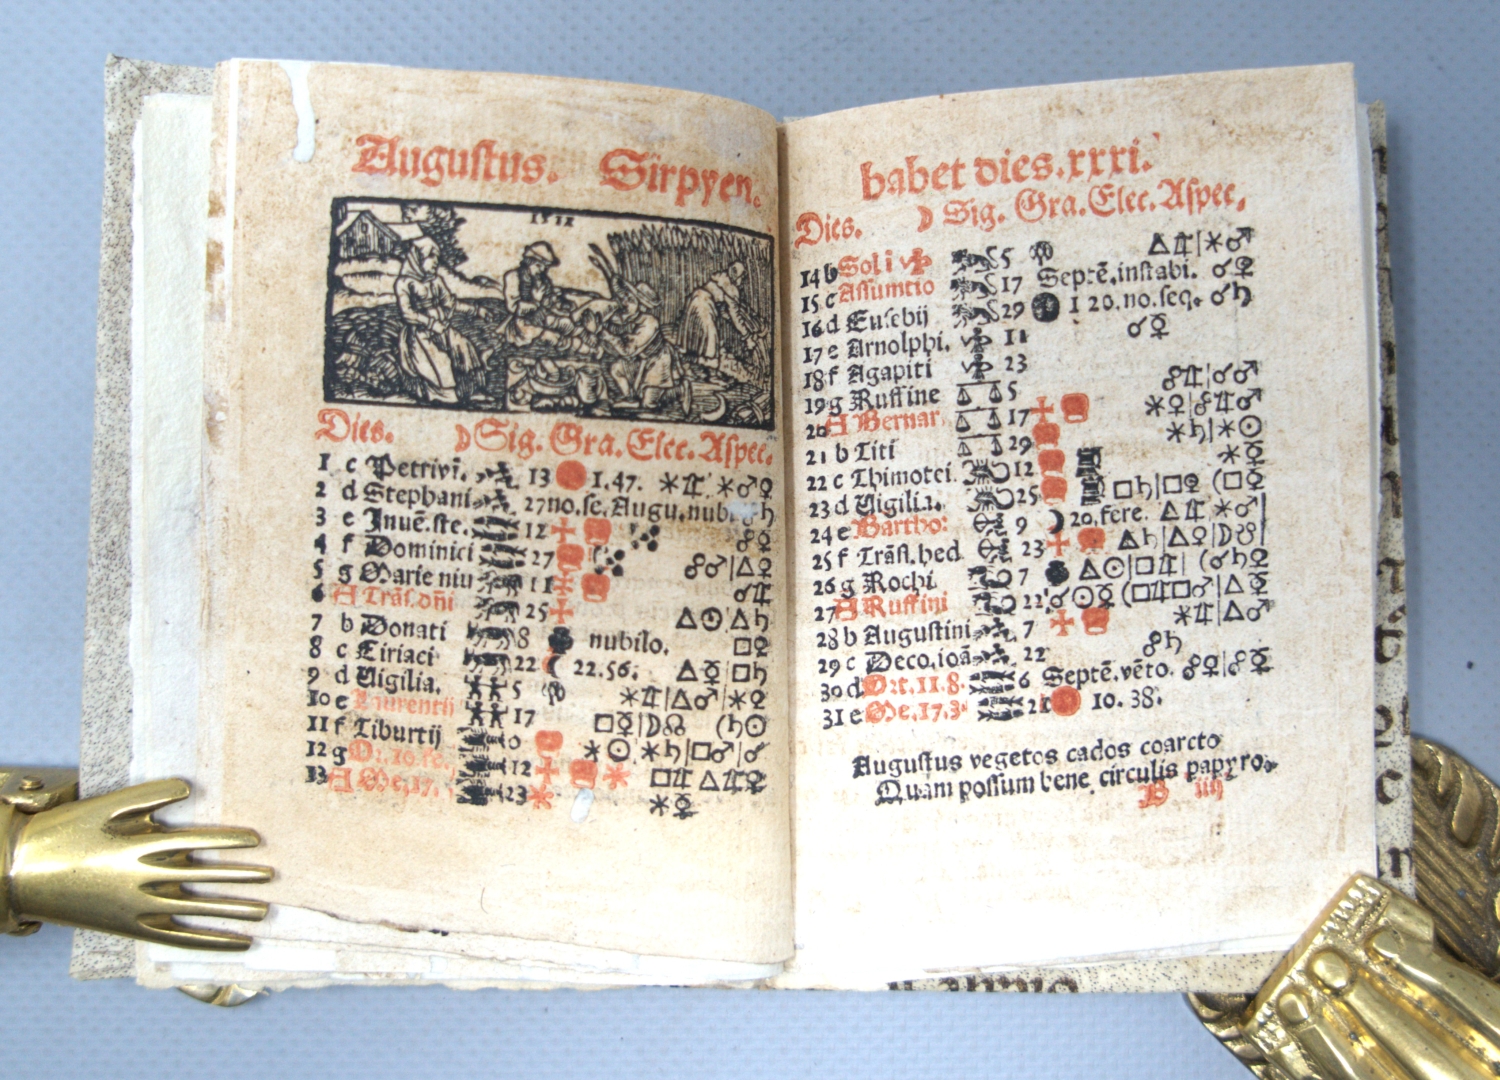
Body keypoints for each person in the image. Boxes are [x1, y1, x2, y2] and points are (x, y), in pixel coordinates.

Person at [394, 237, 481, 404]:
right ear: (417, 259)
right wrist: (432, 324)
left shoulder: (436, 280)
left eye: (436, 257)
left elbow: (451, 303)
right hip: (420, 333)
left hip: (443, 329)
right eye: (430, 257)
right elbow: (408, 313)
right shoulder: (404, 283)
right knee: (440, 361)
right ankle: (443, 397)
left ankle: (468, 391)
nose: (435, 262)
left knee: (464, 346)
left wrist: (477, 310)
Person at [678, 261, 763, 381]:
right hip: (704, 306)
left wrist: (727, 317)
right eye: (742, 276)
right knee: (710, 341)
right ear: (736, 275)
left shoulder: (720, 278)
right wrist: (747, 337)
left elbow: (724, 309)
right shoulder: (730, 289)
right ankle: (712, 375)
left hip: (695, 299)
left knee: (695, 337)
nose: (742, 280)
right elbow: (735, 317)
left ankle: (692, 367)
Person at [501, 240, 575, 349]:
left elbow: (548, 305)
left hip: (542, 317)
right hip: (522, 323)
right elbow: (513, 307)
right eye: (539, 265)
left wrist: (557, 301)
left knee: (568, 324)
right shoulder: (513, 277)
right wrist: (535, 300)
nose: (542, 270)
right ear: (529, 262)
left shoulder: (542, 279)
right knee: (552, 337)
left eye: (545, 267)